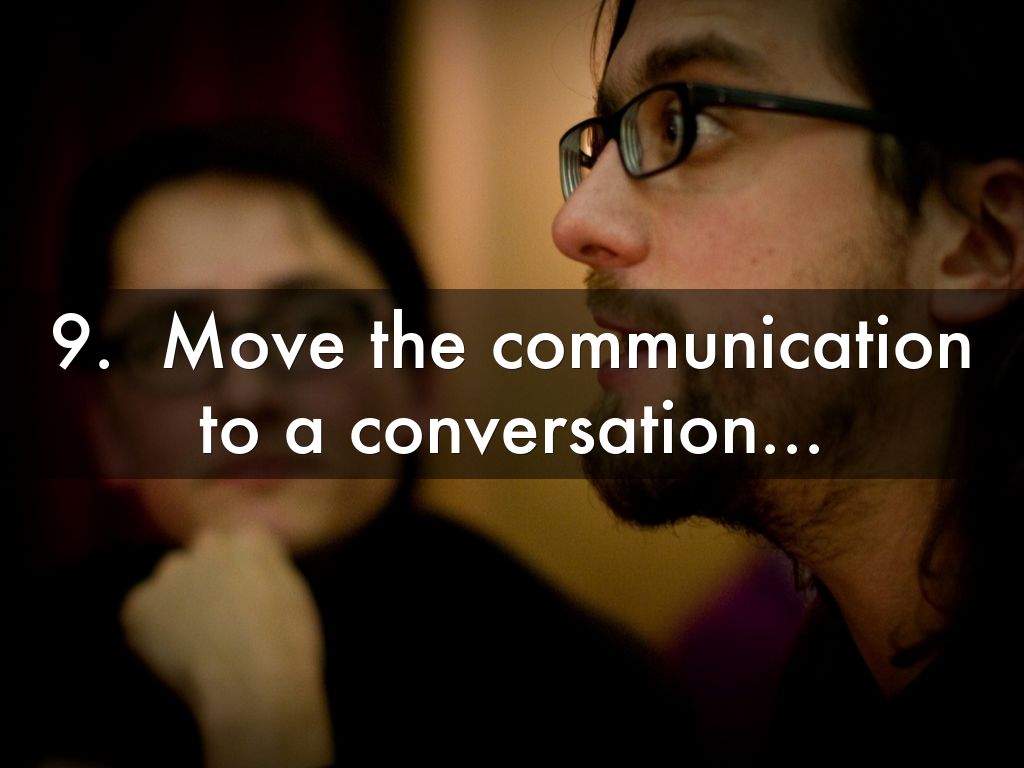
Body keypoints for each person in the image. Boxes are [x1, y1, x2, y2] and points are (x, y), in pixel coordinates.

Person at [24, 122, 692, 766]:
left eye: (315, 328)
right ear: (109, 432)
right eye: (170, 342)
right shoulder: (40, 665)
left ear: (419, 383)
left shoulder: (590, 699)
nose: (247, 395)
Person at [552, 0, 1021, 761]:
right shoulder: (826, 688)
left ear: (978, 241)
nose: (575, 224)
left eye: (687, 125)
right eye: (603, 145)